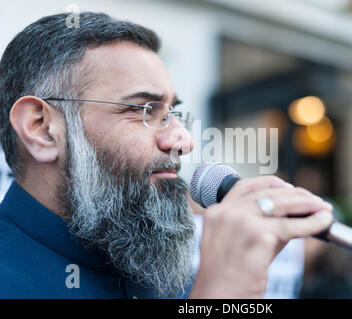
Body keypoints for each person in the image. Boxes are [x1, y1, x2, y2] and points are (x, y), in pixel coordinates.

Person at [0, 12, 333, 298]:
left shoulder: (153, 269)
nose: (183, 140)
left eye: (171, 113)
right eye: (144, 110)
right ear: (42, 129)